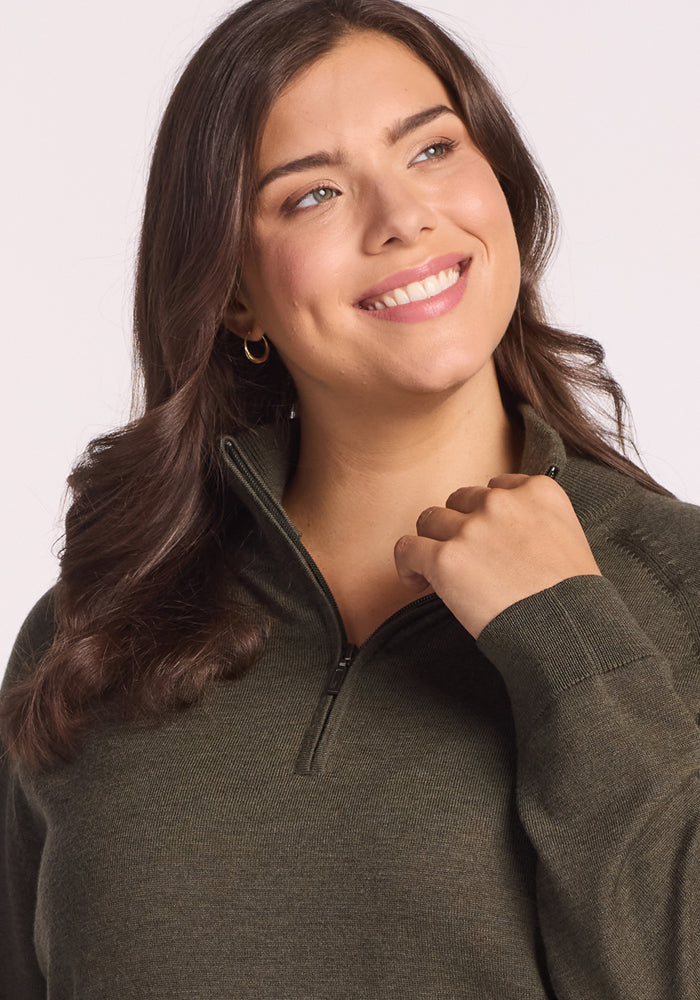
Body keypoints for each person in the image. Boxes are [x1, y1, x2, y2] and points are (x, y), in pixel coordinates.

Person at [1, 0, 698, 997]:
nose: (401, 216)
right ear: (233, 294)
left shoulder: (676, 591)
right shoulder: (97, 630)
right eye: (311, 194)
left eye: (429, 151)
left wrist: (568, 637)